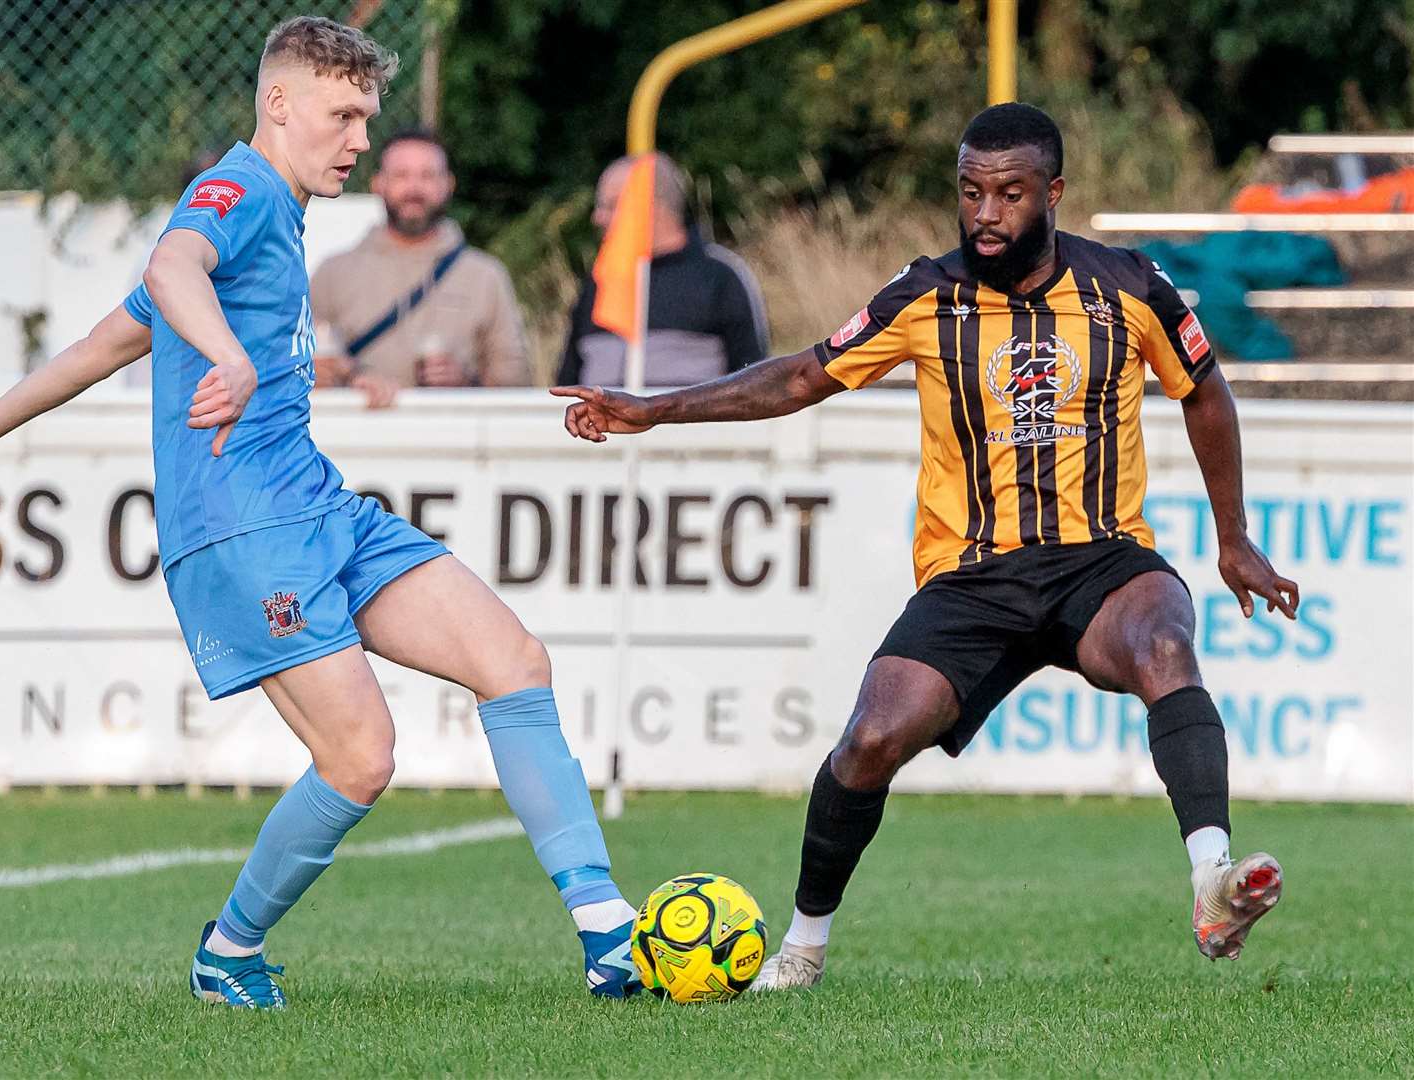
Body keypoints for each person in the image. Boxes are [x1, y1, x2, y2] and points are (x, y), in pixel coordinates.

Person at [0, 15, 637, 1009]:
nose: (360, 142)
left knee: (513, 661)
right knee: (361, 759)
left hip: (320, 507)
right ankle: (228, 952)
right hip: (242, 528)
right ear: (280, 104)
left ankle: (609, 936)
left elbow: (106, 342)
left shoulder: (277, 214)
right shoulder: (233, 190)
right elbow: (168, 271)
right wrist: (232, 358)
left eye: (367, 117)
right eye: (344, 115)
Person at [554, 103, 1296, 990]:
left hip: (1102, 561)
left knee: (1167, 646)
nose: (986, 214)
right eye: (971, 192)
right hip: (971, 578)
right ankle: (803, 949)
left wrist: (1234, 537)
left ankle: (1212, 880)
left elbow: (1204, 391)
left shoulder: (1131, 287)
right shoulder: (927, 293)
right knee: (868, 741)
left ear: (1052, 194)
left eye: (1010, 195)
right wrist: (654, 409)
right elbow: (799, 376)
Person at [309, 128, 530, 407]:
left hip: (454, 443)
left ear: (448, 184)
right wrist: (340, 376)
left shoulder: (486, 276)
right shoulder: (332, 273)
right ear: (378, 183)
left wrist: (467, 383)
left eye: (427, 176)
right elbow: (293, 370)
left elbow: (518, 385)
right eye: (401, 175)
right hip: (357, 446)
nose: (414, 189)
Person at [557, 153, 769, 387]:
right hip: (605, 425)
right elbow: (568, 383)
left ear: (652, 205)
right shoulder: (600, 280)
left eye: (612, 205)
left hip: (695, 424)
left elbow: (754, 381)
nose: (597, 218)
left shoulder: (722, 277)